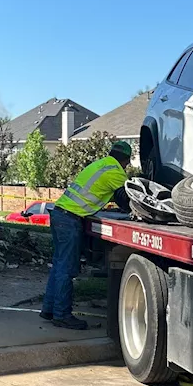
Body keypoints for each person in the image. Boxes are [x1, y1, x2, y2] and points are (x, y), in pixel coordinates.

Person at [42, 140, 133, 329]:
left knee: (59, 265)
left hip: (60, 213)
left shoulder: (100, 164)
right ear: (126, 160)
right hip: (70, 219)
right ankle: (61, 315)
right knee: (66, 269)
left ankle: (49, 309)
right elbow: (125, 200)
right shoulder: (116, 171)